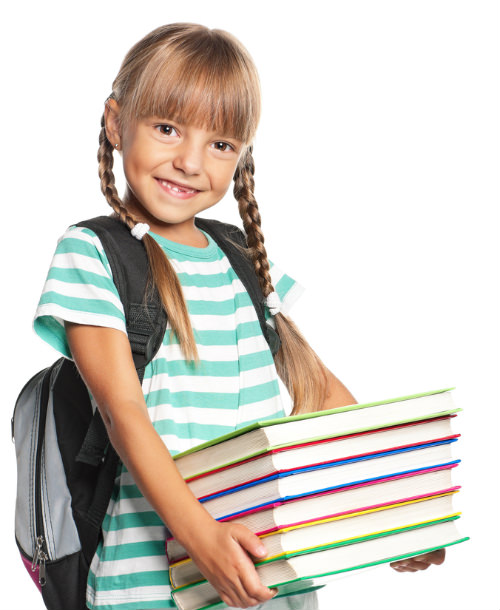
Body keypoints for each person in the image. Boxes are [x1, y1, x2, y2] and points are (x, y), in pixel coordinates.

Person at [33, 22, 444, 610]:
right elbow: (126, 416)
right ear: (116, 122)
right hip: (152, 586)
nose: (190, 162)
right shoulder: (94, 252)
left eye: (220, 144)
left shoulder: (241, 259)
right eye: (167, 128)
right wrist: (200, 539)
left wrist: (394, 512)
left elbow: (321, 393)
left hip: (268, 577)